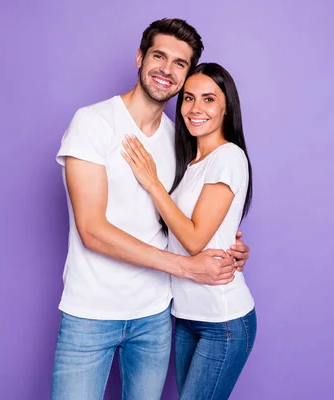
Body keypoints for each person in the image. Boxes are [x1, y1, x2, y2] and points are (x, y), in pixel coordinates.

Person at [51, 19, 251, 400]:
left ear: (187, 76)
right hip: (90, 312)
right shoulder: (93, 123)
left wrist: (229, 246)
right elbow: (92, 230)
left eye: (180, 64)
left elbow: (184, 219)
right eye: (159, 56)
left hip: (156, 315)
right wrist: (187, 266)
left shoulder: (179, 141)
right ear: (140, 57)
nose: (167, 70)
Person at [121, 62, 256, 399]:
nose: (195, 109)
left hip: (221, 320)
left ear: (226, 109)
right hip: (185, 315)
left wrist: (153, 185)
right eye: (188, 98)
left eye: (208, 99)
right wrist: (234, 246)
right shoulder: (190, 162)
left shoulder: (228, 157)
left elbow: (195, 240)